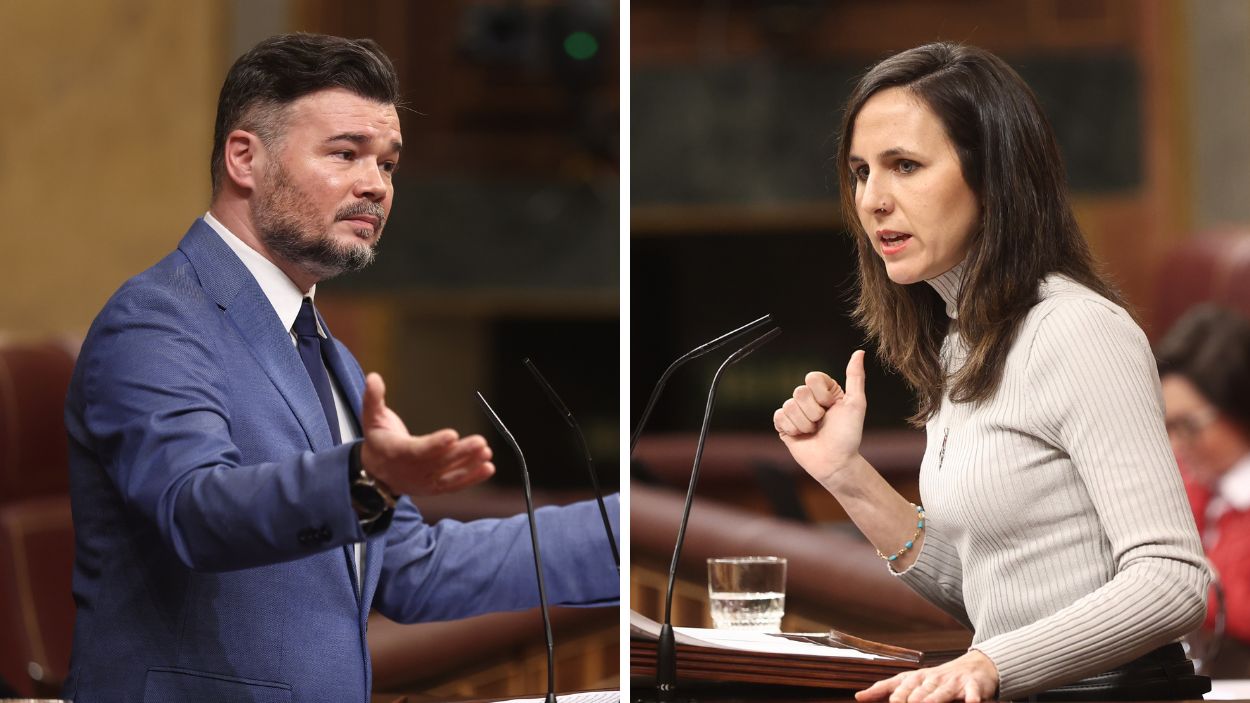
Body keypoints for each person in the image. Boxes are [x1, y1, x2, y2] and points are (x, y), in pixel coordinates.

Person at [63, 33, 618, 702]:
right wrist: (363, 477)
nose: (375, 186)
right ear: (245, 157)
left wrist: (629, 525)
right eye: (346, 154)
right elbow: (196, 509)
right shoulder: (156, 319)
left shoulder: (330, 353)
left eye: (387, 164)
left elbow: (411, 569)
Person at [773, 42, 1209, 702]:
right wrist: (846, 475)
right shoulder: (960, 339)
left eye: (906, 166)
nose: (872, 200)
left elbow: (1173, 579)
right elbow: (991, 587)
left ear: (993, 176)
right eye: (861, 171)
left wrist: (989, 663)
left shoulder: (1075, 329)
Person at [1157, 303, 1250, 674]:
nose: (1176, 445)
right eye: (1168, 427)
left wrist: (1165, 586)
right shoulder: (1192, 482)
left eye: (1189, 426)